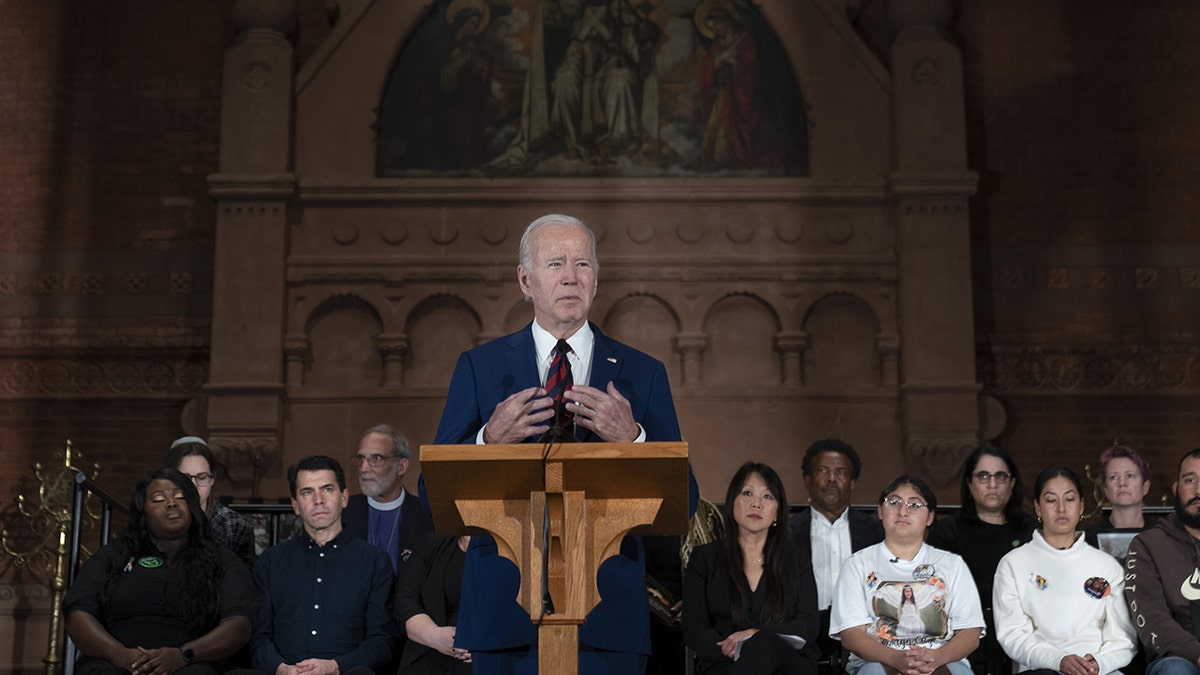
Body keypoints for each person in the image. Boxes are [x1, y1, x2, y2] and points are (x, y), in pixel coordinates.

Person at [428, 212, 697, 675]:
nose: (571, 276)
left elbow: (684, 500)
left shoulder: (641, 372)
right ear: (525, 279)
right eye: (555, 263)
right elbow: (431, 493)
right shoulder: (480, 367)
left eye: (583, 264)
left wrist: (632, 438)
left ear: (597, 279)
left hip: (607, 615)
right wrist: (489, 439)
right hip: (503, 610)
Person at [63, 468, 255, 674]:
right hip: (117, 663)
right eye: (158, 499)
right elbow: (78, 615)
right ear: (143, 511)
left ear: (191, 506)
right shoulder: (114, 556)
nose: (171, 503)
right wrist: (120, 654)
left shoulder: (222, 559)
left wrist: (184, 655)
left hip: (192, 665)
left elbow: (239, 625)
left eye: (180, 497)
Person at [243, 455, 396, 675]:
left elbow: (382, 641)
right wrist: (282, 669)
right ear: (295, 505)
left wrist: (334, 667)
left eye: (327, 489)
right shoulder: (270, 562)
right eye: (307, 492)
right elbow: (258, 636)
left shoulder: (374, 562)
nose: (318, 500)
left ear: (343, 498)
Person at [831, 475, 985, 675]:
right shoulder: (857, 565)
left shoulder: (952, 565)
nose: (903, 511)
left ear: (930, 517)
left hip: (941, 659)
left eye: (914, 505)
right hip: (879, 661)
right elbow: (851, 634)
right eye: (893, 502)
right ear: (879, 511)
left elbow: (970, 632)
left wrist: (937, 657)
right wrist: (895, 658)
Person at [993, 466, 1135, 675]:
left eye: (1069, 499)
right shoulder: (1013, 564)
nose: (1061, 508)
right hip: (1040, 669)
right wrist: (1057, 660)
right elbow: (1013, 635)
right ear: (1038, 508)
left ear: (1081, 506)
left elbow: (1123, 638)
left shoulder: (1107, 566)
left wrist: (1099, 663)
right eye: (1051, 500)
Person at [682, 462, 819, 675]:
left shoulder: (797, 558)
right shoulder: (705, 558)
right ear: (732, 502)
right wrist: (734, 648)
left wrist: (754, 636)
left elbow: (807, 625)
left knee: (764, 642)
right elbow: (694, 629)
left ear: (777, 512)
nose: (756, 504)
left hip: (787, 666)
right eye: (747, 493)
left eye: (767, 497)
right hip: (724, 662)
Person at [927, 443, 1033, 675]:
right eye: (983, 476)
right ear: (969, 483)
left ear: (1012, 483)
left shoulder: (1033, 532)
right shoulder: (947, 532)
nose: (992, 484)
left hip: (1025, 634)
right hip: (963, 636)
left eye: (1000, 476)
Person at [788, 438, 883, 669]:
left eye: (840, 472)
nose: (832, 478)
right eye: (823, 470)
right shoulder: (785, 534)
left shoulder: (876, 533)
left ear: (852, 483)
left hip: (866, 636)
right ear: (807, 479)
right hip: (804, 638)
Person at [1125, 448, 1200, 675]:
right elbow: (1150, 616)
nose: (1198, 490)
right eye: (1190, 480)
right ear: (1176, 489)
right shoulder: (1148, 545)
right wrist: (1196, 653)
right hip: (1179, 659)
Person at [343, 424, 434, 571]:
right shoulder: (343, 513)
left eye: (377, 458)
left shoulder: (425, 517)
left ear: (401, 467)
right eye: (361, 459)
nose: (364, 468)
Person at [165, 436, 257, 568]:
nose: (193, 485)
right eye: (185, 478)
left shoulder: (234, 525)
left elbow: (244, 581)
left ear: (212, 480)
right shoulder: (155, 521)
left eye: (202, 477)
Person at [394, 533, 473, 674]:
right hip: (428, 653)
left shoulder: (512, 545)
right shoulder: (433, 543)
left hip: (486, 661)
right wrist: (434, 636)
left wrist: (487, 644)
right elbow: (405, 598)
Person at [1085, 444, 1155, 562]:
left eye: (1130, 476)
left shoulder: (1161, 533)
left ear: (1145, 487)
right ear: (1106, 489)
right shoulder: (1091, 536)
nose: (1122, 483)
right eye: (1113, 477)